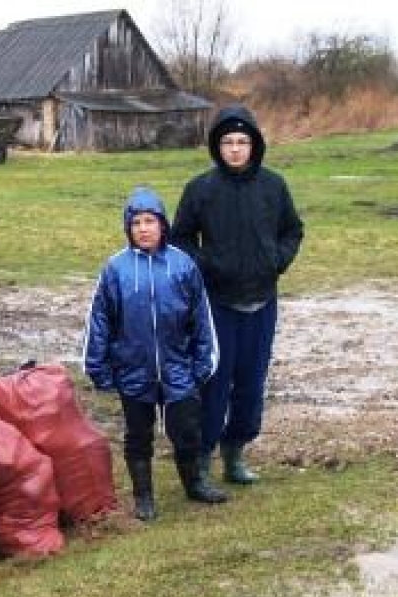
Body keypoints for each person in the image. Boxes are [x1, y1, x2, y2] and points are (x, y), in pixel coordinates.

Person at [172, 105, 304, 485]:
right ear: (217, 146)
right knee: (215, 381)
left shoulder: (273, 186)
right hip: (217, 303)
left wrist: (276, 261)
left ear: (254, 145)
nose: (235, 149)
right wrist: (208, 265)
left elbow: (292, 230)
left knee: (251, 381)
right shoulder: (201, 189)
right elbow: (180, 237)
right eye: (227, 142)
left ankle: (236, 452)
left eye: (242, 141)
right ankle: (201, 459)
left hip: (262, 300)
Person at [84, 186, 228, 522]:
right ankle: (144, 495)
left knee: (186, 432)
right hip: (133, 371)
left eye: (150, 221)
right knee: (137, 436)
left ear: (163, 224)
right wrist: (99, 366)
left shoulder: (182, 266)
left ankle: (194, 483)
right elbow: (100, 319)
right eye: (136, 223)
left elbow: (200, 318)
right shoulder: (116, 269)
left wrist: (202, 364)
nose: (144, 229)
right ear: (128, 228)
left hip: (179, 370)